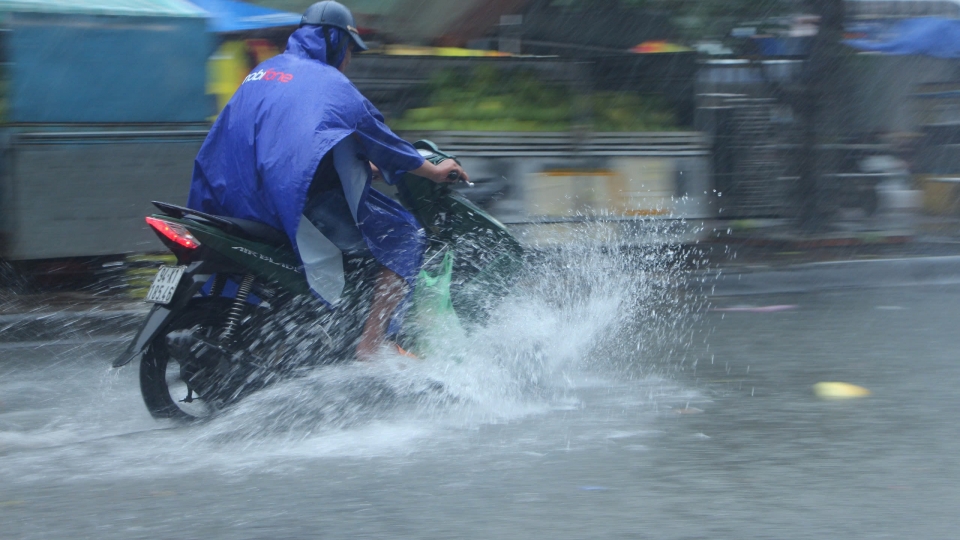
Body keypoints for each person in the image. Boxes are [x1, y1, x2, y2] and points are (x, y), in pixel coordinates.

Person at [187, 1, 468, 360]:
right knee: (403, 235)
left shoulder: (266, 71)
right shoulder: (332, 85)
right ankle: (372, 343)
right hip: (291, 200)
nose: (348, 59)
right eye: (349, 49)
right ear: (333, 41)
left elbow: (293, 145)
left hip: (236, 196)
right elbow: (382, 140)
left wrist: (366, 169)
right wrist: (433, 170)